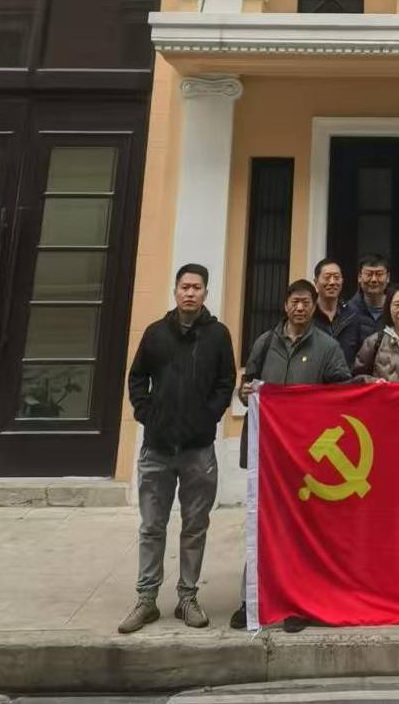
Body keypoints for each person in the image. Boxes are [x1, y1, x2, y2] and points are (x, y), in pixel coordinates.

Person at [229, 278, 356, 631]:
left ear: (314, 307)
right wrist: (246, 393)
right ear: (285, 305)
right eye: (294, 302)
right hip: (266, 452)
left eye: (306, 303)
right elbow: (246, 385)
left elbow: (341, 392)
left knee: (301, 531)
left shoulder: (327, 347)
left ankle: (298, 603)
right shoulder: (265, 342)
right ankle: (251, 600)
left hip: (306, 457)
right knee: (261, 525)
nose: (300, 308)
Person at [119, 263, 236, 634]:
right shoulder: (156, 333)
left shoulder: (218, 335)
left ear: (205, 293)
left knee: (195, 526)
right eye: (185, 286)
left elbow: (226, 382)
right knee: (152, 526)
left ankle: (188, 596)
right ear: (175, 291)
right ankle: (146, 598)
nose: (190, 293)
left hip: (198, 450)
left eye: (197, 287)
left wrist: (208, 416)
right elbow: (137, 378)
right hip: (157, 449)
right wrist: (147, 414)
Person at [312, 257, 374, 366]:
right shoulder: (308, 315)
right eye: (327, 277)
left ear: (342, 281)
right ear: (316, 282)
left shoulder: (353, 315)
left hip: (345, 375)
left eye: (336, 277)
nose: (332, 282)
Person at [347, 253, 390, 333]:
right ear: (359, 277)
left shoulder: (396, 309)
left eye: (379, 274)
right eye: (368, 274)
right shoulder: (347, 311)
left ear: (388, 277)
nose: (374, 279)